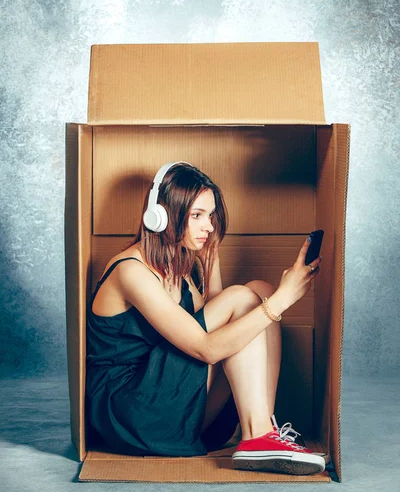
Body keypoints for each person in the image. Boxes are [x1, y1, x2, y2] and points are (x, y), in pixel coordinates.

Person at [86, 162, 325, 476]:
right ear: (159, 216)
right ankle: (258, 436)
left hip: (165, 396)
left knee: (259, 291)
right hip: (130, 411)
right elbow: (207, 348)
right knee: (249, 299)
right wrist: (285, 298)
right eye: (197, 215)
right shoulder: (130, 271)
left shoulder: (177, 271)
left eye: (210, 216)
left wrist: (211, 265)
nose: (209, 227)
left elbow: (215, 321)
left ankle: (259, 428)